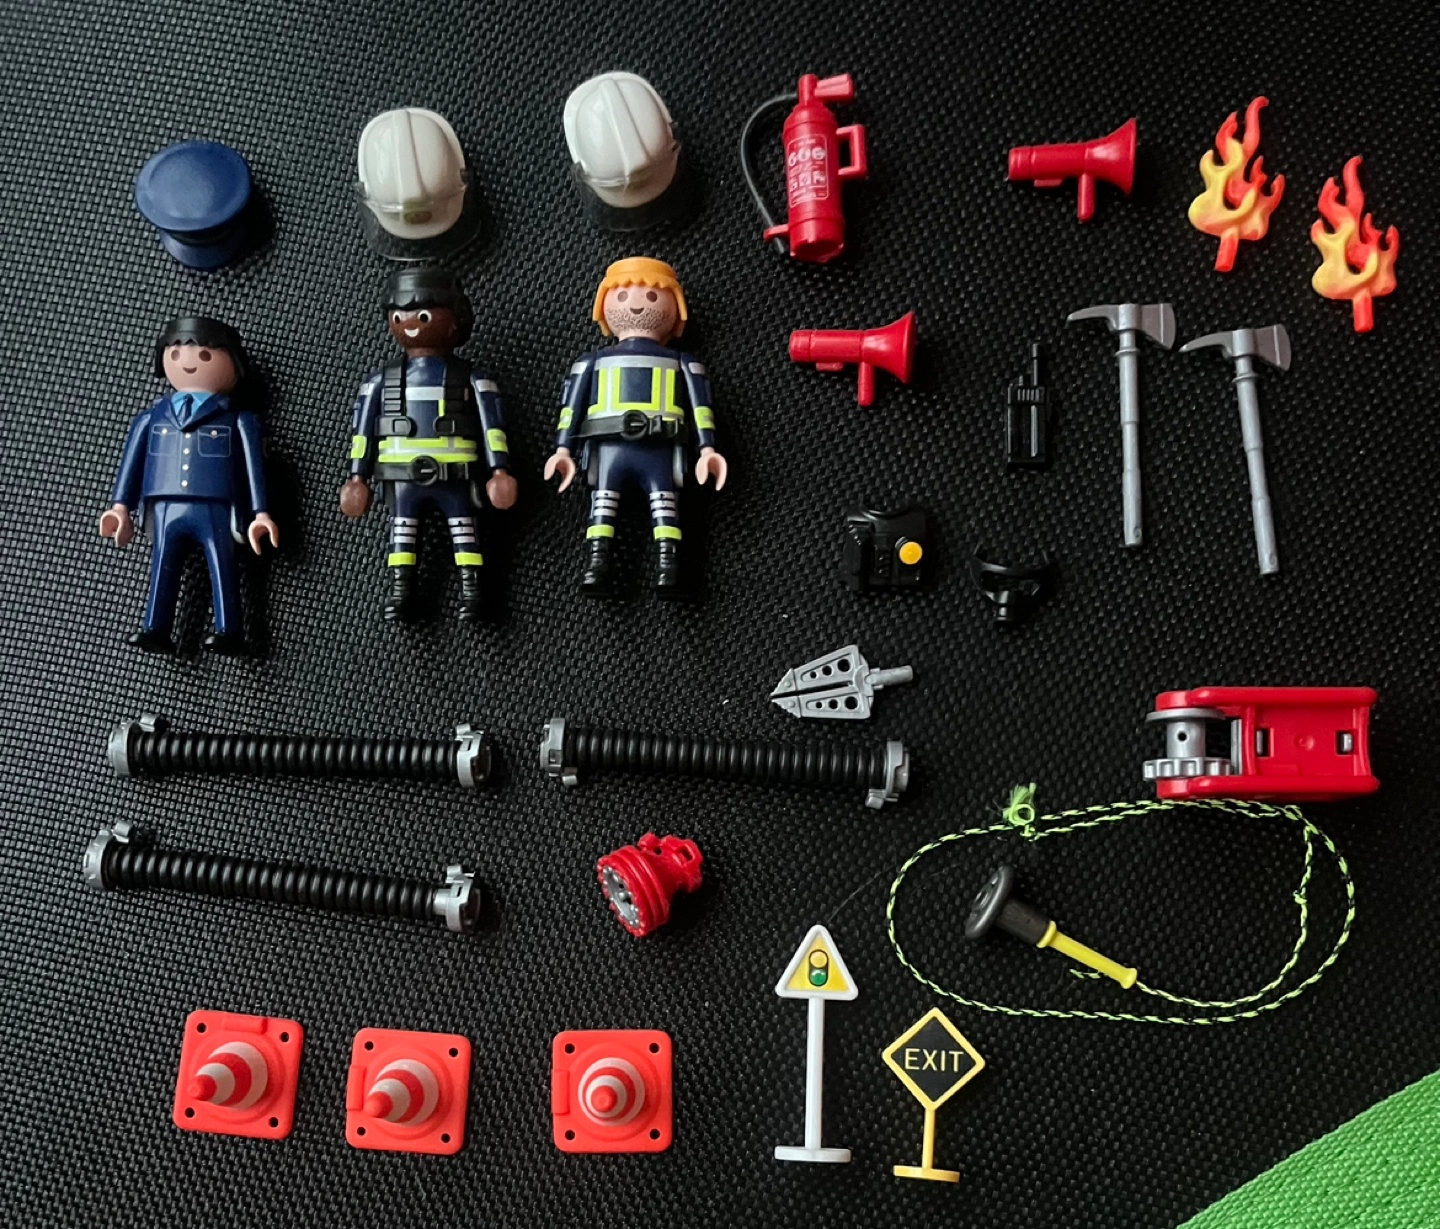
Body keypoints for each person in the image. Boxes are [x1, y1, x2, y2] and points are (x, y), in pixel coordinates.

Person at [341, 267, 517, 621]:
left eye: (423, 315)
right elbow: (362, 433)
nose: (410, 323)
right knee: (402, 535)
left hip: (456, 474)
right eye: (399, 315)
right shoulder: (380, 382)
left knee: (464, 533)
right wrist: (357, 477)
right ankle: (402, 590)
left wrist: (500, 470)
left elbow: (492, 428)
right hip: (401, 476)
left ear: (455, 320)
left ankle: (473, 591)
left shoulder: (471, 379)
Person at [544, 257, 726, 597]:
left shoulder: (682, 362)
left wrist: (707, 449)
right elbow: (571, 406)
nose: (637, 304)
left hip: (660, 448)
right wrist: (563, 449)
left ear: (676, 308)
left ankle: (668, 568)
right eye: (623, 296)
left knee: (664, 510)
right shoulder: (592, 361)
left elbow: (701, 406)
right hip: (608, 448)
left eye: (653, 297)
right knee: (603, 508)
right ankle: (597, 566)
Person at [100, 316, 277, 653]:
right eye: (176, 353)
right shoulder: (152, 416)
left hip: (216, 503)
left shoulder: (238, 419)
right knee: (162, 564)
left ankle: (229, 630)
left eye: (205, 355)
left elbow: (254, 467)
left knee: (222, 564)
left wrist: (261, 513)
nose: (189, 362)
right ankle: (156, 627)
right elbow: (131, 462)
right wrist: (120, 507)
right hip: (165, 504)